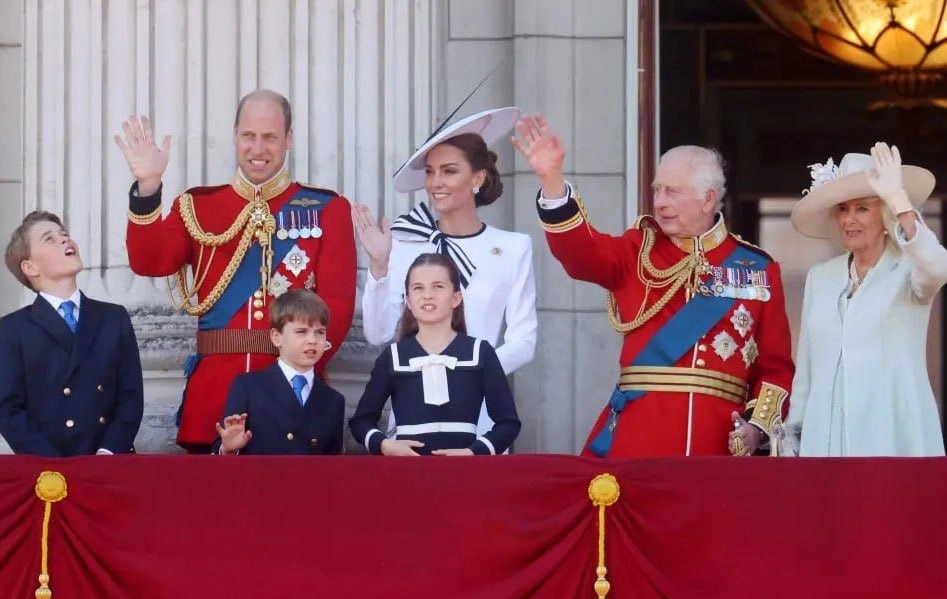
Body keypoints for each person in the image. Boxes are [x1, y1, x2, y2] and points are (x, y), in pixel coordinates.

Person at [511, 114, 795, 458]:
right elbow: (580, 252)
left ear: (707, 199)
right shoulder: (637, 251)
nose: (659, 202)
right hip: (639, 440)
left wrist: (756, 428)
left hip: (719, 445)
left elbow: (775, 368)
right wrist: (552, 181)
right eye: (657, 190)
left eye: (671, 192)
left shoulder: (758, 269)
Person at [114, 89, 356, 453]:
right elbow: (150, 261)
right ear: (235, 136)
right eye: (249, 136)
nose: (258, 148)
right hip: (213, 398)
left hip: (292, 399)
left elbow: (336, 306)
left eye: (270, 137)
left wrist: (297, 375)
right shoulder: (197, 206)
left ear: (288, 139)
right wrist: (148, 187)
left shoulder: (326, 209)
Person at [352, 107, 536, 442]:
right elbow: (378, 334)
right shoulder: (404, 242)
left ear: (477, 178)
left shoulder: (512, 247)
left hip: (479, 419)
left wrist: (465, 372)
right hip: (410, 417)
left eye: (449, 171)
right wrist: (379, 267)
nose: (436, 182)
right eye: (431, 172)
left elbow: (524, 342)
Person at [786, 142, 947, 456]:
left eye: (862, 208)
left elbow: (939, 268)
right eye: (843, 209)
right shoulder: (821, 277)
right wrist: (794, 436)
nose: (849, 219)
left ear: (884, 214)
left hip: (892, 434)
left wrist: (899, 199)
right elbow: (806, 371)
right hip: (826, 440)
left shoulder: (909, 268)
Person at [0, 211, 144, 456]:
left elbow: (130, 398)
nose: (66, 240)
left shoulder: (113, 318)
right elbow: (9, 411)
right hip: (48, 473)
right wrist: (54, 467)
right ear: (30, 266)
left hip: (109, 463)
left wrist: (107, 453)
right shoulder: (12, 329)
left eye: (64, 235)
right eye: (50, 238)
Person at [349, 253, 521, 456]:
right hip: (408, 475)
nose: (427, 295)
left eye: (438, 286)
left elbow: (508, 423)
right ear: (409, 301)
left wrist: (474, 452)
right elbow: (361, 421)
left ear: (456, 298)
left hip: (464, 476)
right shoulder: (393, 357)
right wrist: (385, 445)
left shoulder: (480, 353)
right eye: (418, 288)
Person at [214, 289, 344, 455]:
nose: (312, 340)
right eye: (301, 332)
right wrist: (228, 449)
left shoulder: (333, 401)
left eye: (320, 332)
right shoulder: (248, 387)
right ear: (276, 337)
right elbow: (222, 454)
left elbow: (333, 468)